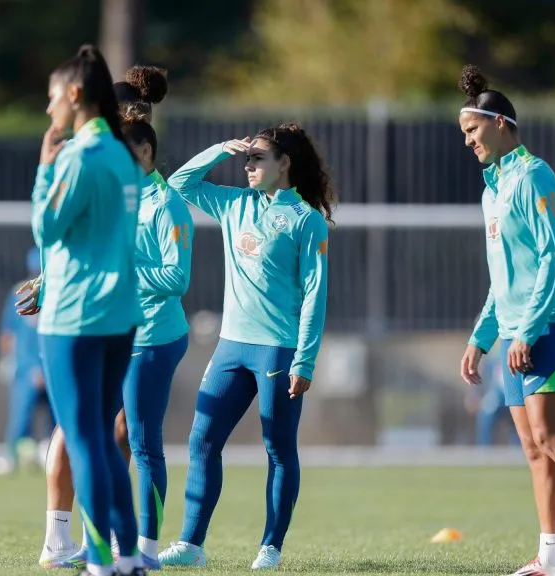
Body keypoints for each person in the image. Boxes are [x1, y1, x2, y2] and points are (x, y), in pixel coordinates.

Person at [157, 122, 331, 571]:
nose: (249, 166)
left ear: (284, 164)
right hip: (231, 346)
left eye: (258, 159)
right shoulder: (235, 204)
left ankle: (271, 546)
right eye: (247, 159)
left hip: (278, 350)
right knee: (202, 441)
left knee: (277, 447)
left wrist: (305, 359)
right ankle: (192, 545)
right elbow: (180, 183)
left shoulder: (306, 220)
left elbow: (316, 293)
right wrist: (219, 149)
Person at [35, 65, 175, 571]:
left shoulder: (88, 155)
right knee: (106, 437)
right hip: (122, 316)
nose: (51, 108)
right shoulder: (129, 167)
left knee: (85, 437)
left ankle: (95, 552)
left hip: (78, 315)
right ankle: (126, 552)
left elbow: (49, 228)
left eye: (54, 97)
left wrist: (46, 167)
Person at [454, 65, 555, 576]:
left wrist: (528, 329)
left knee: (553, 440)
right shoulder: (493, 189)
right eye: (463, 134)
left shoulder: (535, 177)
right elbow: (503, 278)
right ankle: (550, 558)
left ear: (501, 123)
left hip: (545, 328)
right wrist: (480, 338)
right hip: (511, 335)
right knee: (533, 448)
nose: (468, 142)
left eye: (473, 131)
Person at [0, 247, 55, 476]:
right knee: (23, 417)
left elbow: (8, 335)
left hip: (39, 365)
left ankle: (49, 458)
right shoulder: (24, 292)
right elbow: (8, 333)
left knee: (52, 420)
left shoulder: (27, 291)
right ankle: (14, 456)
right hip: (35, 365)